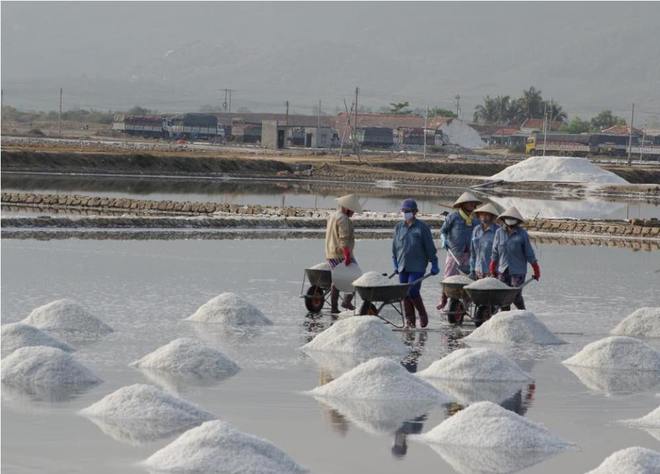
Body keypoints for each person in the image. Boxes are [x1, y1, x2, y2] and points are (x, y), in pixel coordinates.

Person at [392, 198, 440, 328]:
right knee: (404, 293)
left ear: (415, 212)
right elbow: (395, 247)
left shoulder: (422, 228)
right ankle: (410, 320)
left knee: (412, 290)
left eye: (408, 211)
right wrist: (395, 263)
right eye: (403, 211)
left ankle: (422, 314)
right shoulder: (399, 227)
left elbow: (429, 247)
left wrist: (434, 263)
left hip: (417, 266)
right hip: (403, 265)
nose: (405, 213)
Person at [489, 206, 541, 310]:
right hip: (502, 270)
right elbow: (495, 252)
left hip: (518, 271)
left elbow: (529, 253)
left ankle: (523, 313)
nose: (510, 220)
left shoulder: (522, 234)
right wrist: (492, 267)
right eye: (508, 218)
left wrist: (536, 268)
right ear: (504, 219)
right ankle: (505, 316)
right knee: (503, 296)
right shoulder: (499, 233)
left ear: (517, 221)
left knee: (515, 295)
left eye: (513, 218)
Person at [437, 191, 482, 310]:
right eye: (469, 203)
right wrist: (444, 239)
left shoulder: (476, 219)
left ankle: (466, 303)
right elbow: (443, 231)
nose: (472, 205)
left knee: (470, 279)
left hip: (471, 254)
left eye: (473, 203)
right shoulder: (453, 217)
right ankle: (443, 300)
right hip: (454, 252)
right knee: (449, 278)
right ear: (463, 204)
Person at [325, 194, 362, 313]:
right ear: (347, 208)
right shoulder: (343, 219)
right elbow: (344, 239)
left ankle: (335, 307)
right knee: (356, 276)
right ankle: (344, 302)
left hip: (330, 252)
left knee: (337, 279)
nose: (353, 213)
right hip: (341, 253)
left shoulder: (333, 216)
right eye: (352, 210)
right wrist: (347, 255)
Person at [469, 202, 500, 280]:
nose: (484, 217)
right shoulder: (476, 230)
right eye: (482, 214)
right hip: (478, 270)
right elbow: (472, 252)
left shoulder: (498, 231)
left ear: (492, 216)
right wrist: (472, 269)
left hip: (492, 271)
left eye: (487, 215)